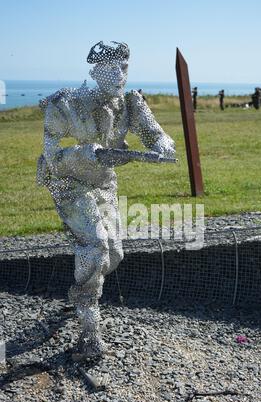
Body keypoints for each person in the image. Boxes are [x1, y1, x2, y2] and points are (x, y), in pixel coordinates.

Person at [37, 41, 176, 359]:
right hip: (68, 183)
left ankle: (81, 288)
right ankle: (89, 333)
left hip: (104, 184)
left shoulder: (130, 102)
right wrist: (86, 154)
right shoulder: (66, 103)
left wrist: (164, 144)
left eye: (124, 66)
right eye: (111, 67)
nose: (119, 73)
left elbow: (154, 133)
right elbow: (52, 155)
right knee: (96, 246)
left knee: (114, 254)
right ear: (94, 70)